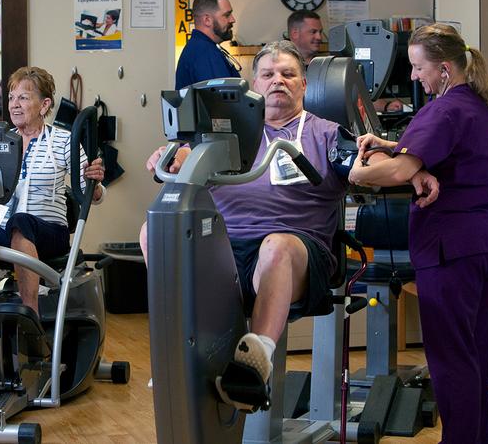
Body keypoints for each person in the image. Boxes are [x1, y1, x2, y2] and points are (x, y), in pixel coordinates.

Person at [144, 41, 356, 399]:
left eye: (288, 74)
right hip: (225, 249)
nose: (278, 81)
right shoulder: (223, 136)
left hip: (298, 251)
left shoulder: (327, 133)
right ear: (254, 85)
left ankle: (255, 361)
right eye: (268, 75)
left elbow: (367, 165)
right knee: (156, 232)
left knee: (277, 245)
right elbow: (180, 155)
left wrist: (405, 165)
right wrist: (172, 156)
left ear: (304, 84)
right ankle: (182, 348)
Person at [347, 23, 488, 444]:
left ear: (442, 68)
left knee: (451, 360)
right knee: (472, 355)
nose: (415, 76)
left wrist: (356, 171)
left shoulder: (445, 110)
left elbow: (399, 170)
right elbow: (425, 157)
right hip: (487, 240)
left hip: (452, 245)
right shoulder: (478, 104)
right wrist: (389, 144)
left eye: (419, 68)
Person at [0, 66, 106, 314]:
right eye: (12, 97)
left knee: (20, 222)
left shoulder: (63, 141)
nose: (15, 104)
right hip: (5, 230)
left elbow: (93, 195)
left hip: (49, 232)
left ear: (44, 105)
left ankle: (29, 318)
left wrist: (94, 181)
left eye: (23, 97)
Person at [175, 0, 240, 89]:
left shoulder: (198, 47)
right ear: (207, 20)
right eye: (227, 15)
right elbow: (223, 100)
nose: (232, 19)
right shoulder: (205, 53)